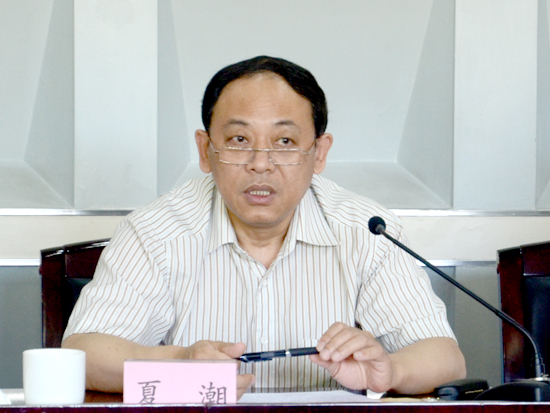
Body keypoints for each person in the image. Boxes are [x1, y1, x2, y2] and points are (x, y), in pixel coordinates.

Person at [62, 55, 466, 398]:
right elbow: (83, 356)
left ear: (319, 153)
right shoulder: (154, 231)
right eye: (239, 139)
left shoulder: (366, 230)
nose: (260, 163)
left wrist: (389, 370)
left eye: (284, 142)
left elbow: (446, 359)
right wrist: (180, 362)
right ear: (206, 150)